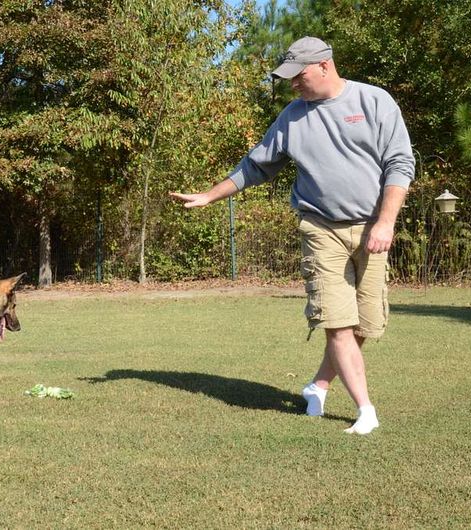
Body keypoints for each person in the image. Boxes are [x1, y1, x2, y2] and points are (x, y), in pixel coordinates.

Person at [170, 36, 415, 435]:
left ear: (324, 66)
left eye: (298, 77)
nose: (293, 86)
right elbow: (255, 167)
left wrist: (385, 221)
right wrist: (210, 195)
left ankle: (317, 386)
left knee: (363, 326)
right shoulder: (291, 117)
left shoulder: (374, 102)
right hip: (320, 229)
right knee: (336, 321)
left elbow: (400, 164)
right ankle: (365, 410)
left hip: (372, 228)